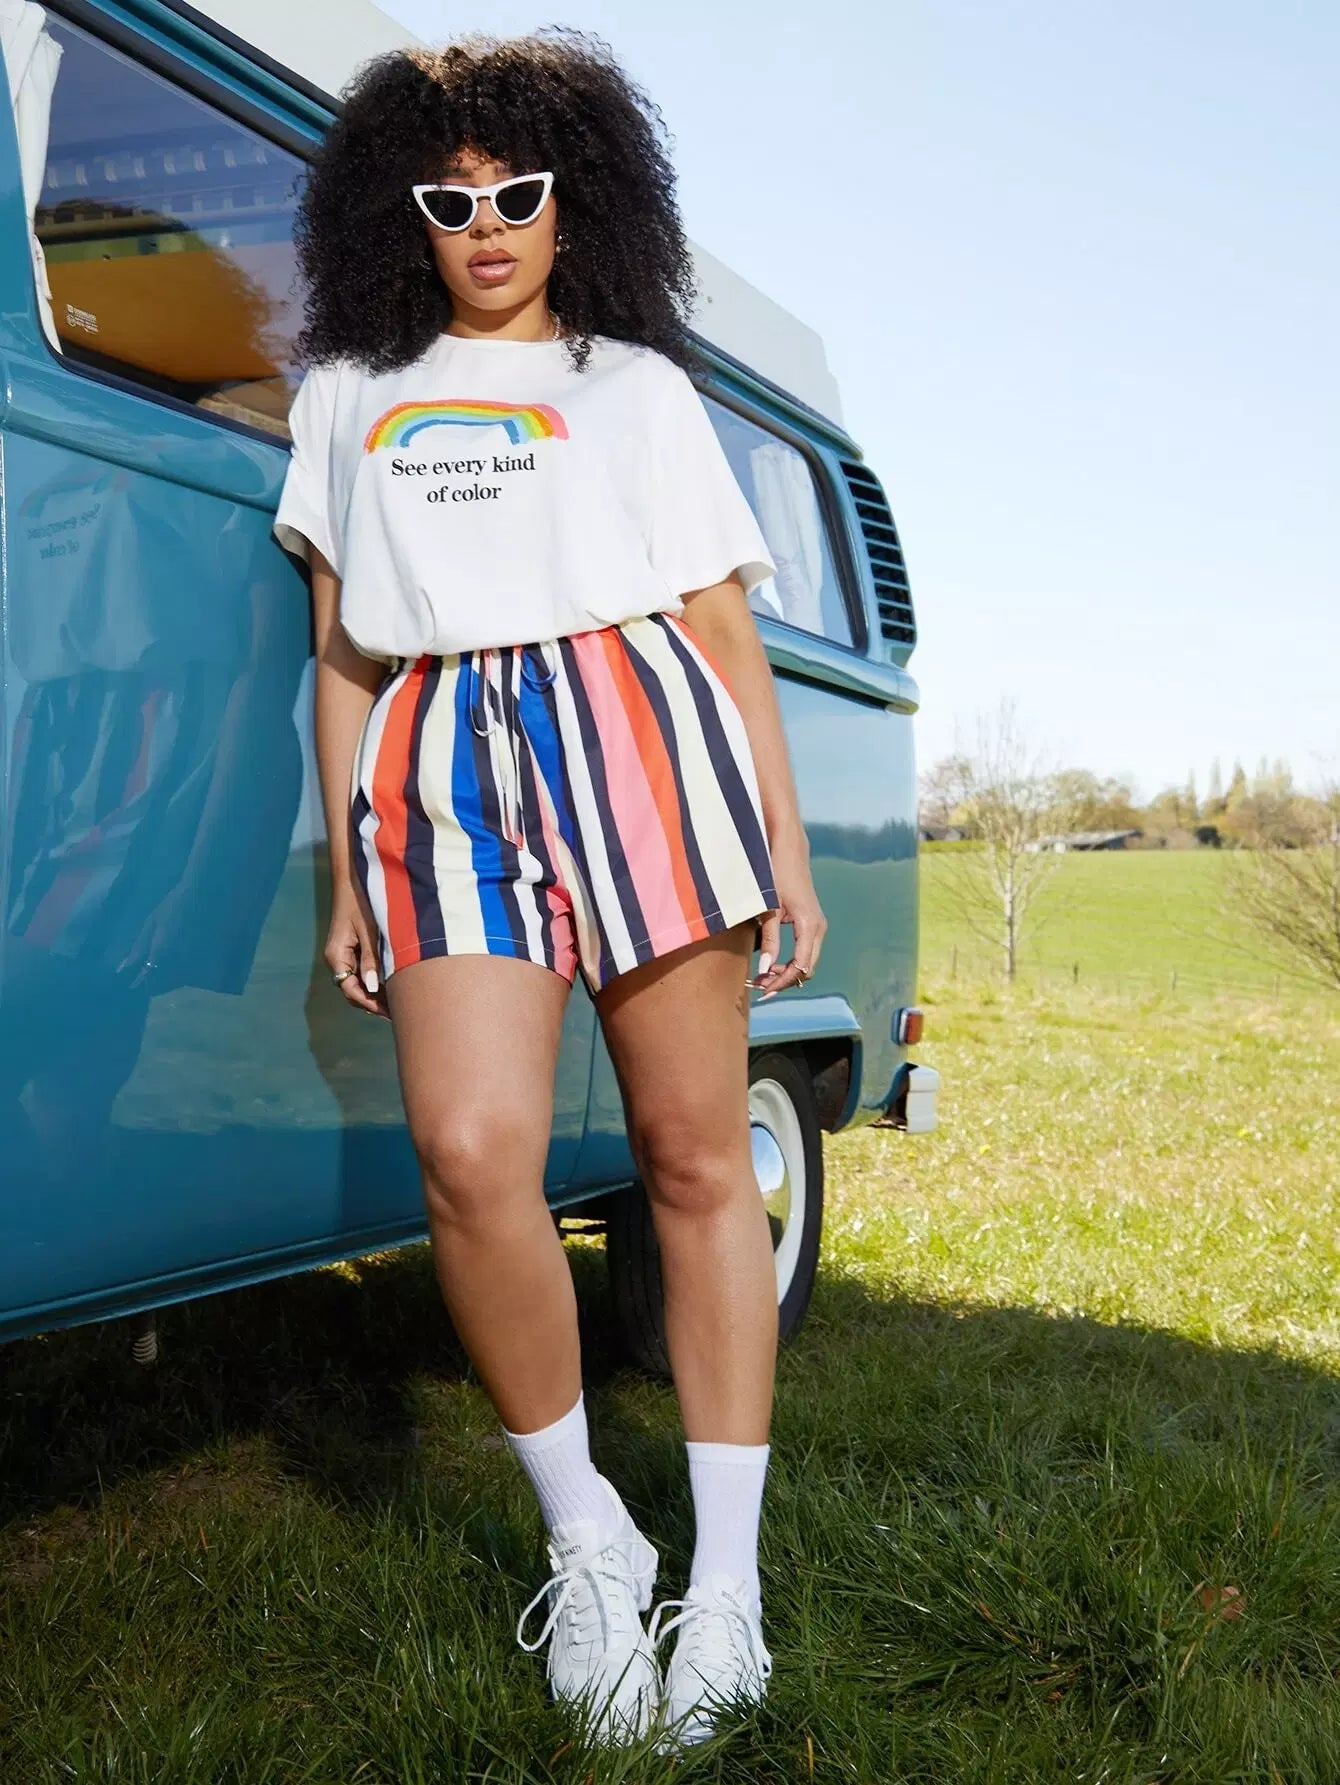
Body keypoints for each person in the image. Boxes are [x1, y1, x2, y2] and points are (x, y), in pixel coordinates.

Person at [271, 27, 826, 1753]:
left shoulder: (636, 386)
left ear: (574, 198)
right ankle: (592, 1536)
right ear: (404, 215)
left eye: (515, 193)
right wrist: (351, 864)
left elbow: (721, 625)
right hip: (440, 754)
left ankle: (723, 1581)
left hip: (637, 728)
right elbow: (343, 652)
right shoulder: (346, 392)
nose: (487, 229)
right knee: (468, 1152)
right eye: (449, 203)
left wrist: (785, 841)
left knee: (691, 1150)